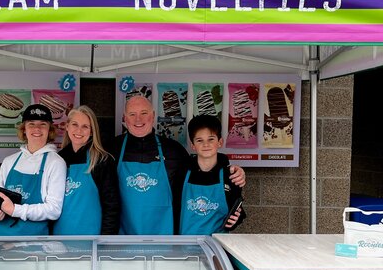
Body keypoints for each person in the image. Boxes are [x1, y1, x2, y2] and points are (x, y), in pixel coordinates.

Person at [109, 95, 246, 235]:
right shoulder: (110, 150)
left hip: (165, 239)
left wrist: (228, 168)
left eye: (144, 113)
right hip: (122, 237)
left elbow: (202, 168)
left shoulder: (173, 150)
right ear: (124, 118)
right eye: (132, 114)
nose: (138, 119)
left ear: (153, 115)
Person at [0, 103, 66, 236]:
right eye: (31, 124)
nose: (37, 129)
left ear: (49, 130)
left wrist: (14, 210)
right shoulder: (9, 162)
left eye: (43, 124)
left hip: (33, 244)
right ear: (24, 129)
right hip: (1, 240)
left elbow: (53, 210)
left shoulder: (55, 162)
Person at [54, 105, 121, 235]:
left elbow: (111, 206)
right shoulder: (57, 160)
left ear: (91, 131)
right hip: (59, 240)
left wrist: (105, 240)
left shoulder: (102, 161)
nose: (79, 130)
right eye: (75, 124)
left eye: (85, 126)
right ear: (67, 126)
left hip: (92, 240)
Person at [180, 114, 246, 235]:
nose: (206, 144)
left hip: (218, 245)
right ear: (192, 145)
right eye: (200, 140)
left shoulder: (230, 175)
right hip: (185, 244)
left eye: (211, 139)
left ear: (220, 142)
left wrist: (237, 218)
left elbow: (237, 209)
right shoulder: (182, 173)